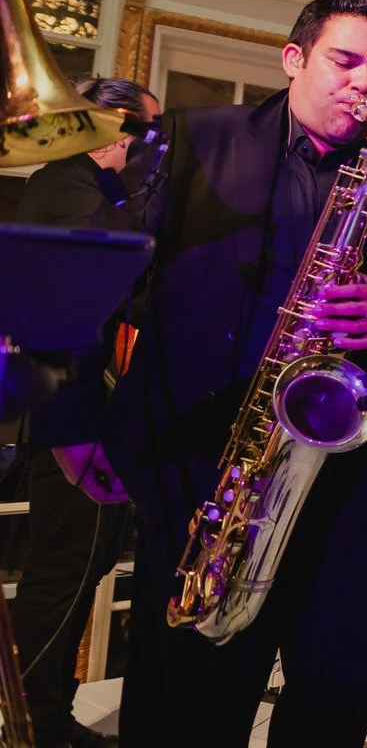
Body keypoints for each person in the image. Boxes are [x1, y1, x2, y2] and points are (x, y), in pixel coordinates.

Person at [58, 0, 367, 747]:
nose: (364, 81)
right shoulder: (192, 140)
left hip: (353, 483)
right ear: (294, 59)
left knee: (331, 698)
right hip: (204, 474)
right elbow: (93, 275)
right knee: (184, 711)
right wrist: (71, 420)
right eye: (345, 59)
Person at [11, 77, 160, 748]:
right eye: (147, 135)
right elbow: (69, 312)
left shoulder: (78, 188)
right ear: (117, 133)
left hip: (76, 414)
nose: (154, 152)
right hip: (66, 417)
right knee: (62, 571)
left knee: (77, 565)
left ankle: (43, 714)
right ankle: (34, 725)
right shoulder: (72, 188)